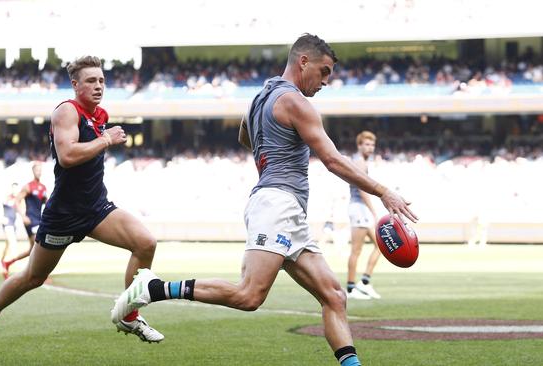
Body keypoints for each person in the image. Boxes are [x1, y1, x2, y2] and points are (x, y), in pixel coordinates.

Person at [111, 34, 417, 366]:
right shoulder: (296, 102)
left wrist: (271, 156)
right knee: (249, 295)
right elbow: (332, 160)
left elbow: (245, 133)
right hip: (277, 205)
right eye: (324, 71)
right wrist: (383, 191)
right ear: (303, 62)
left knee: (334, 296)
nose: (326, 81)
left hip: (285, 209)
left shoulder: (260, 97)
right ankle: (153, 288)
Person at [0, 56, 164, 355]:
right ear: (75, 84)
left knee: (145, 244)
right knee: (32, 277)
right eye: (91, 81)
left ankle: (129, 314)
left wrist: (103, 137)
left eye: (101, 80)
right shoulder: (66, 112)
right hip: (63, 215)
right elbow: (67, 156)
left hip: (97, 208)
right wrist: (107, 140)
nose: (98, 86)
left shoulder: (99, 114)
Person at [345, 131, 382, 300]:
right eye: (366, 144)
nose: (370, 147)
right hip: (360, 207)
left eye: (372, 145)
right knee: (357, 250)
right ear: (359, 145)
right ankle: (351, 288)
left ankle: (364, 283)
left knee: (380, 245)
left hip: (361, 208)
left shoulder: (364, 162)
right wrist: (374, 211)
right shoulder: (360, 162)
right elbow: (362, 188)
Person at [1, 162, 48, 278]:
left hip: (39, 220)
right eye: (37, 170)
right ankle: (39, 273)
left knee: (32, 250)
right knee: (41, 245)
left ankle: (8, 263)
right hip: (30, 220)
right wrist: (23, 216)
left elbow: (46, 204)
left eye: (40, 170)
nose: (39, 172)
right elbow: (17, 200)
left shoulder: (43, 188)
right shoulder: (28, 186)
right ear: (33, 171)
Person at [0, 182, 21, 279]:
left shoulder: (18, 200)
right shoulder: (8, 198)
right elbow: (1, 207)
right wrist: (1, 217)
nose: (15, 190)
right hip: (7, 224)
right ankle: (8, 267)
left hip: (13, 224)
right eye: (14, 188)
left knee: (8, 244)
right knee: (13, 245)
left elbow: (19, 211)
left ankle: (3, 262)